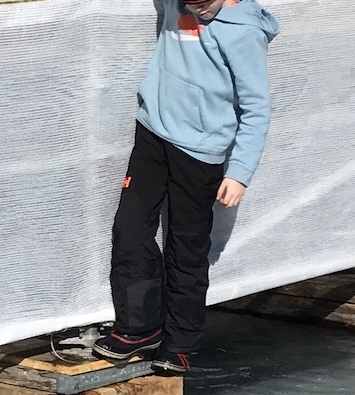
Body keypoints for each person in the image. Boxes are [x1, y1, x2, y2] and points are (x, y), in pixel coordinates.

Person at [93, 0, 278, 373]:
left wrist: (239, 172)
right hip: (152, 134)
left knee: (187, 247)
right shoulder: (175, 3)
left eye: (204, 4)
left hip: (201, 152)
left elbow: (257, 108)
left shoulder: (243, 31)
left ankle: (180, 341)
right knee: (129, 229)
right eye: (190, 3)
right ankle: (138, 328)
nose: (197, 10)